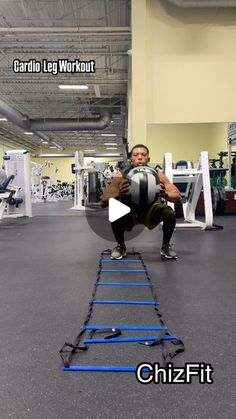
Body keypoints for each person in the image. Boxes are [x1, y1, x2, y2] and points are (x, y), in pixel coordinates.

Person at [100, 144, 182, 260]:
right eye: (136, 155)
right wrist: (119, 194)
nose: (140, 157)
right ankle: (121, 246)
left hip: (149, 212)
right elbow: (103, 200)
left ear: (148, 159)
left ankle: (165, 246)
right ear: (131, 158)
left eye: (143, 155)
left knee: (168, 212)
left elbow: (178, 196)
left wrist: (166, 194)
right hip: (129, 214)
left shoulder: (158, 175)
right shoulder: (121, 176)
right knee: (115, 209)